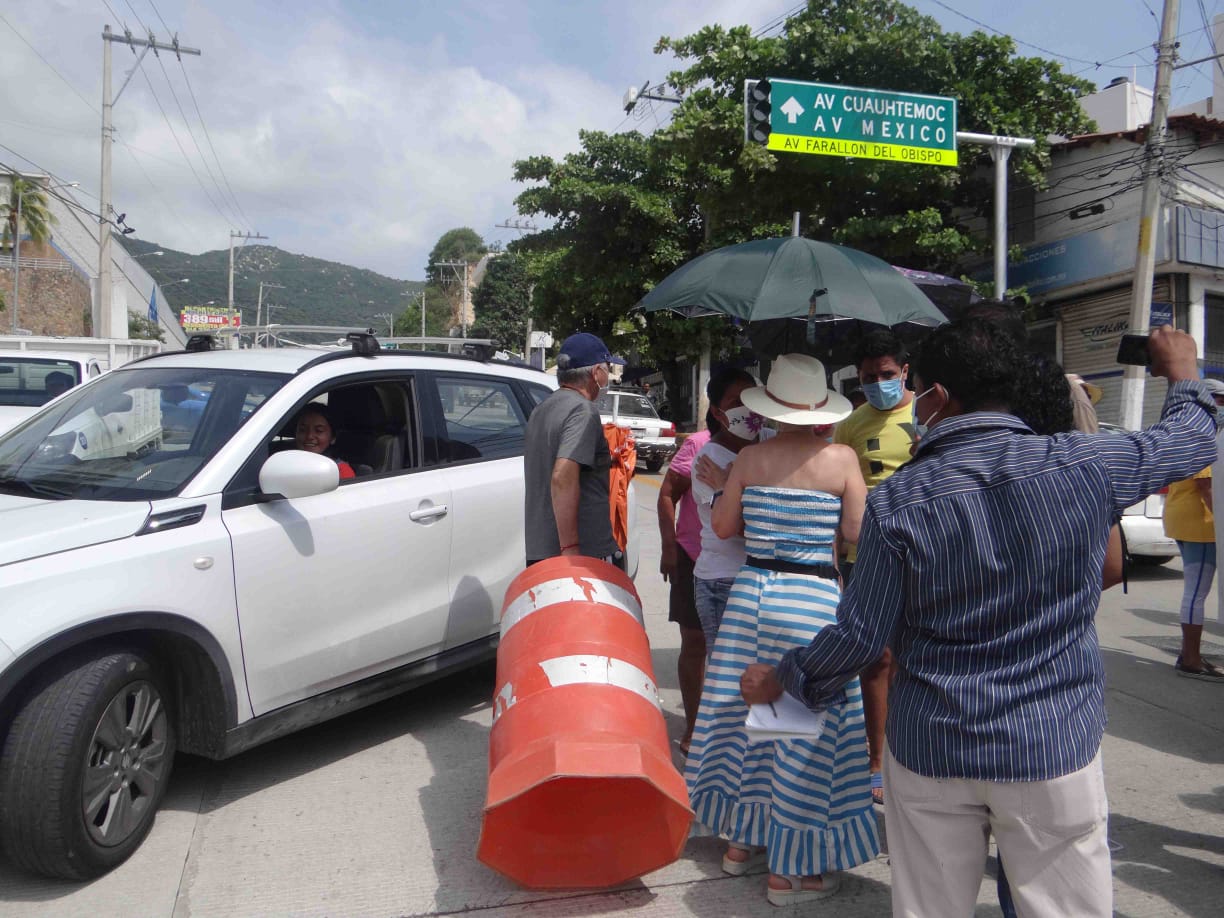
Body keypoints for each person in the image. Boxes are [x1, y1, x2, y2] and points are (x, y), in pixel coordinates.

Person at [740, 322, 1216, 918]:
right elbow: (1193, 440)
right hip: (1049, 745)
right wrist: (1183, 371)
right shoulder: (1085, 465)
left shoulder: (898, 501)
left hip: (932, 746)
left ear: (935, 397)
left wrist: (783, 680)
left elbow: (861, 636)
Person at [685, 354, 876, 907]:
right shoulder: (840, 458)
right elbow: (857, 531)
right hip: (811, 599)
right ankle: (794, 874)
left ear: (769, 407)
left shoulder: (751, 458)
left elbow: (721, 526)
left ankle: (742, 845)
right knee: (801, 729)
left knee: (747, 716)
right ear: (821, 407)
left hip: (752, 597)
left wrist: (728, 488)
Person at [832, 329, 917, 805]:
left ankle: (916, 755)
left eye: (886, 375)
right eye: (868, 377)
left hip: (927, 556)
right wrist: (836, 564)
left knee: (919, 660)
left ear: (904, 372)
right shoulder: (851, 425)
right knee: (877, 660)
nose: (878, 383)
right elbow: (839, 495)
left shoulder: (930, 414)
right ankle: (877, 760)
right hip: (867, 559)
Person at [524, 332, 625, 566]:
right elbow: (562, 476)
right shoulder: (582, 411)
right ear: (596, 372)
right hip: (582, 555)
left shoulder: (541, 409)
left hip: (541, 551)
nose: (608, 376)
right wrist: (570, 549)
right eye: (607, 368)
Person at [689, 368, 768, 650]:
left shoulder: (772, 442)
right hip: (725, 581)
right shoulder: (709, 462)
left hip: (766, 579)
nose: (746, 408)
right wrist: (724, 486)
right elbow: (739, 526)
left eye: (751, 398)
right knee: (730, 681)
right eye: (736, 403)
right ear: (718, 412)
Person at [1164, 377, 1224, 682]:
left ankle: (1191, 655)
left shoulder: (1187, 429)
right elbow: (1205, 485)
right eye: (1222, 401)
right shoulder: (1205, 433)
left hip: (1184, 517)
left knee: (1194, 590)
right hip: (1199, 521)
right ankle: (1190, 659)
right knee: (1196, 591)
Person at [657, 426, 711, 755]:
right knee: (695, 641)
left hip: (744, 562)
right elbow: (667, 493)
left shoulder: (763, 442)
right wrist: (669, 549)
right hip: (693, 556)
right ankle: (694, 726)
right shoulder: (697, 444)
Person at [294, 403, 356, 480]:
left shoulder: (340, 471)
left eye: (319, 431)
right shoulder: (285, 464)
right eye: (303, 430)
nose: (309, 436)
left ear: (333, 437)